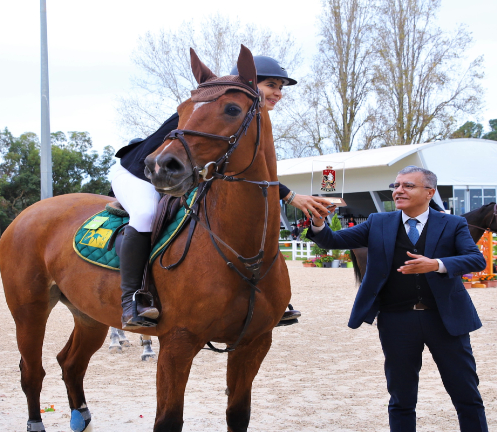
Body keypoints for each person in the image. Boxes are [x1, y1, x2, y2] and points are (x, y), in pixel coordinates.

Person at [307, 165, 497, 432]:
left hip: (445, 321)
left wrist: (437, 265)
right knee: (401, 398)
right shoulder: (378, 223)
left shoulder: (452, 224)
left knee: (467, 396)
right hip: (396, 321)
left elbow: (476, 260)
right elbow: (330, 241)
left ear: (429, 192)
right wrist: (319, 220)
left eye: (408, 186)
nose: (398, 191)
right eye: (396, 185)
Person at [110, 55, 332, 329]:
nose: (278, 93)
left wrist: (289, 196)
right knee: (145, 214)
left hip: (183, 174)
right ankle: (132, 299)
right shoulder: (215, 108)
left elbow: (255, 175)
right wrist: (291, 197)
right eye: (272, 85)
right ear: (249, 83)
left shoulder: (251, 117)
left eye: (281, 88)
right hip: (140, 172)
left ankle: (264, 294)